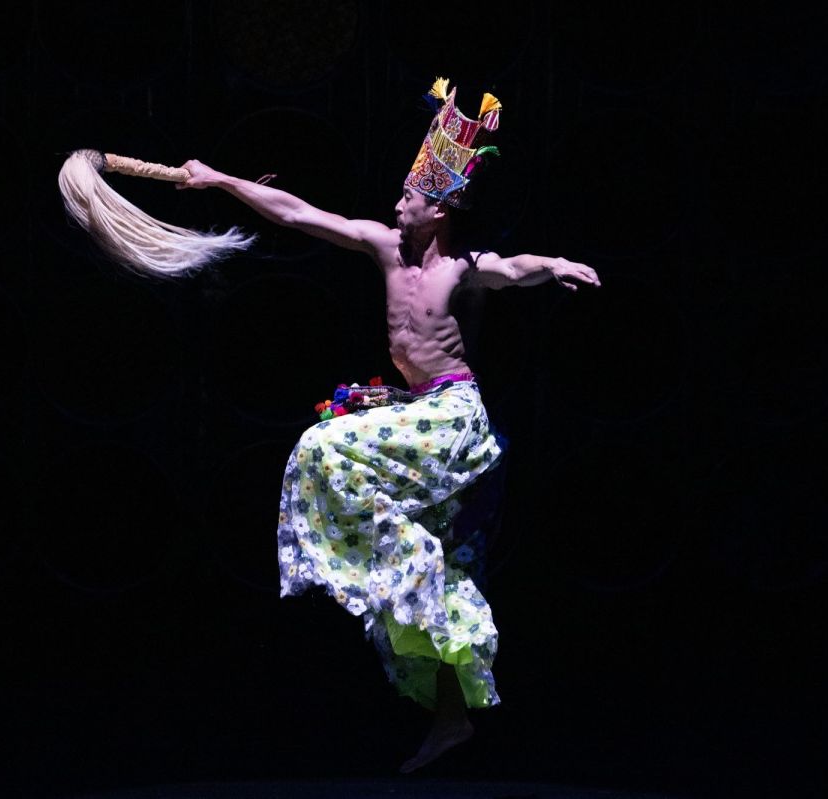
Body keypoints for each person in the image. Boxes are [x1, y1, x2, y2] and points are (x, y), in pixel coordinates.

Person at [175, 78, 600, 773]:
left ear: (437, 211)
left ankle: (407, 573)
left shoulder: (459, 271)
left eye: (408, 196)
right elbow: (297, 213)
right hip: (414, 417)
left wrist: (553, 265)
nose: (395, 203)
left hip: (453, 420)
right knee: (423, 585)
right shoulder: (382, 247)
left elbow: (511, 269)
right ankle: (450, 716)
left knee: (320, 445)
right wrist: (219, 178)